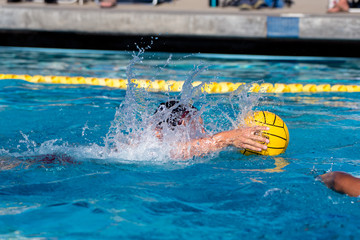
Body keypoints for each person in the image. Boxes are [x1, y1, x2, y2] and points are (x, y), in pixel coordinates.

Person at [153, 100, 269, 159]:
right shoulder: (151, 147)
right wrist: (229, 138)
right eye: (198, 128)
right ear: (181, 125)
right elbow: (176, 151)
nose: (204, 133)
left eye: (202, 128)